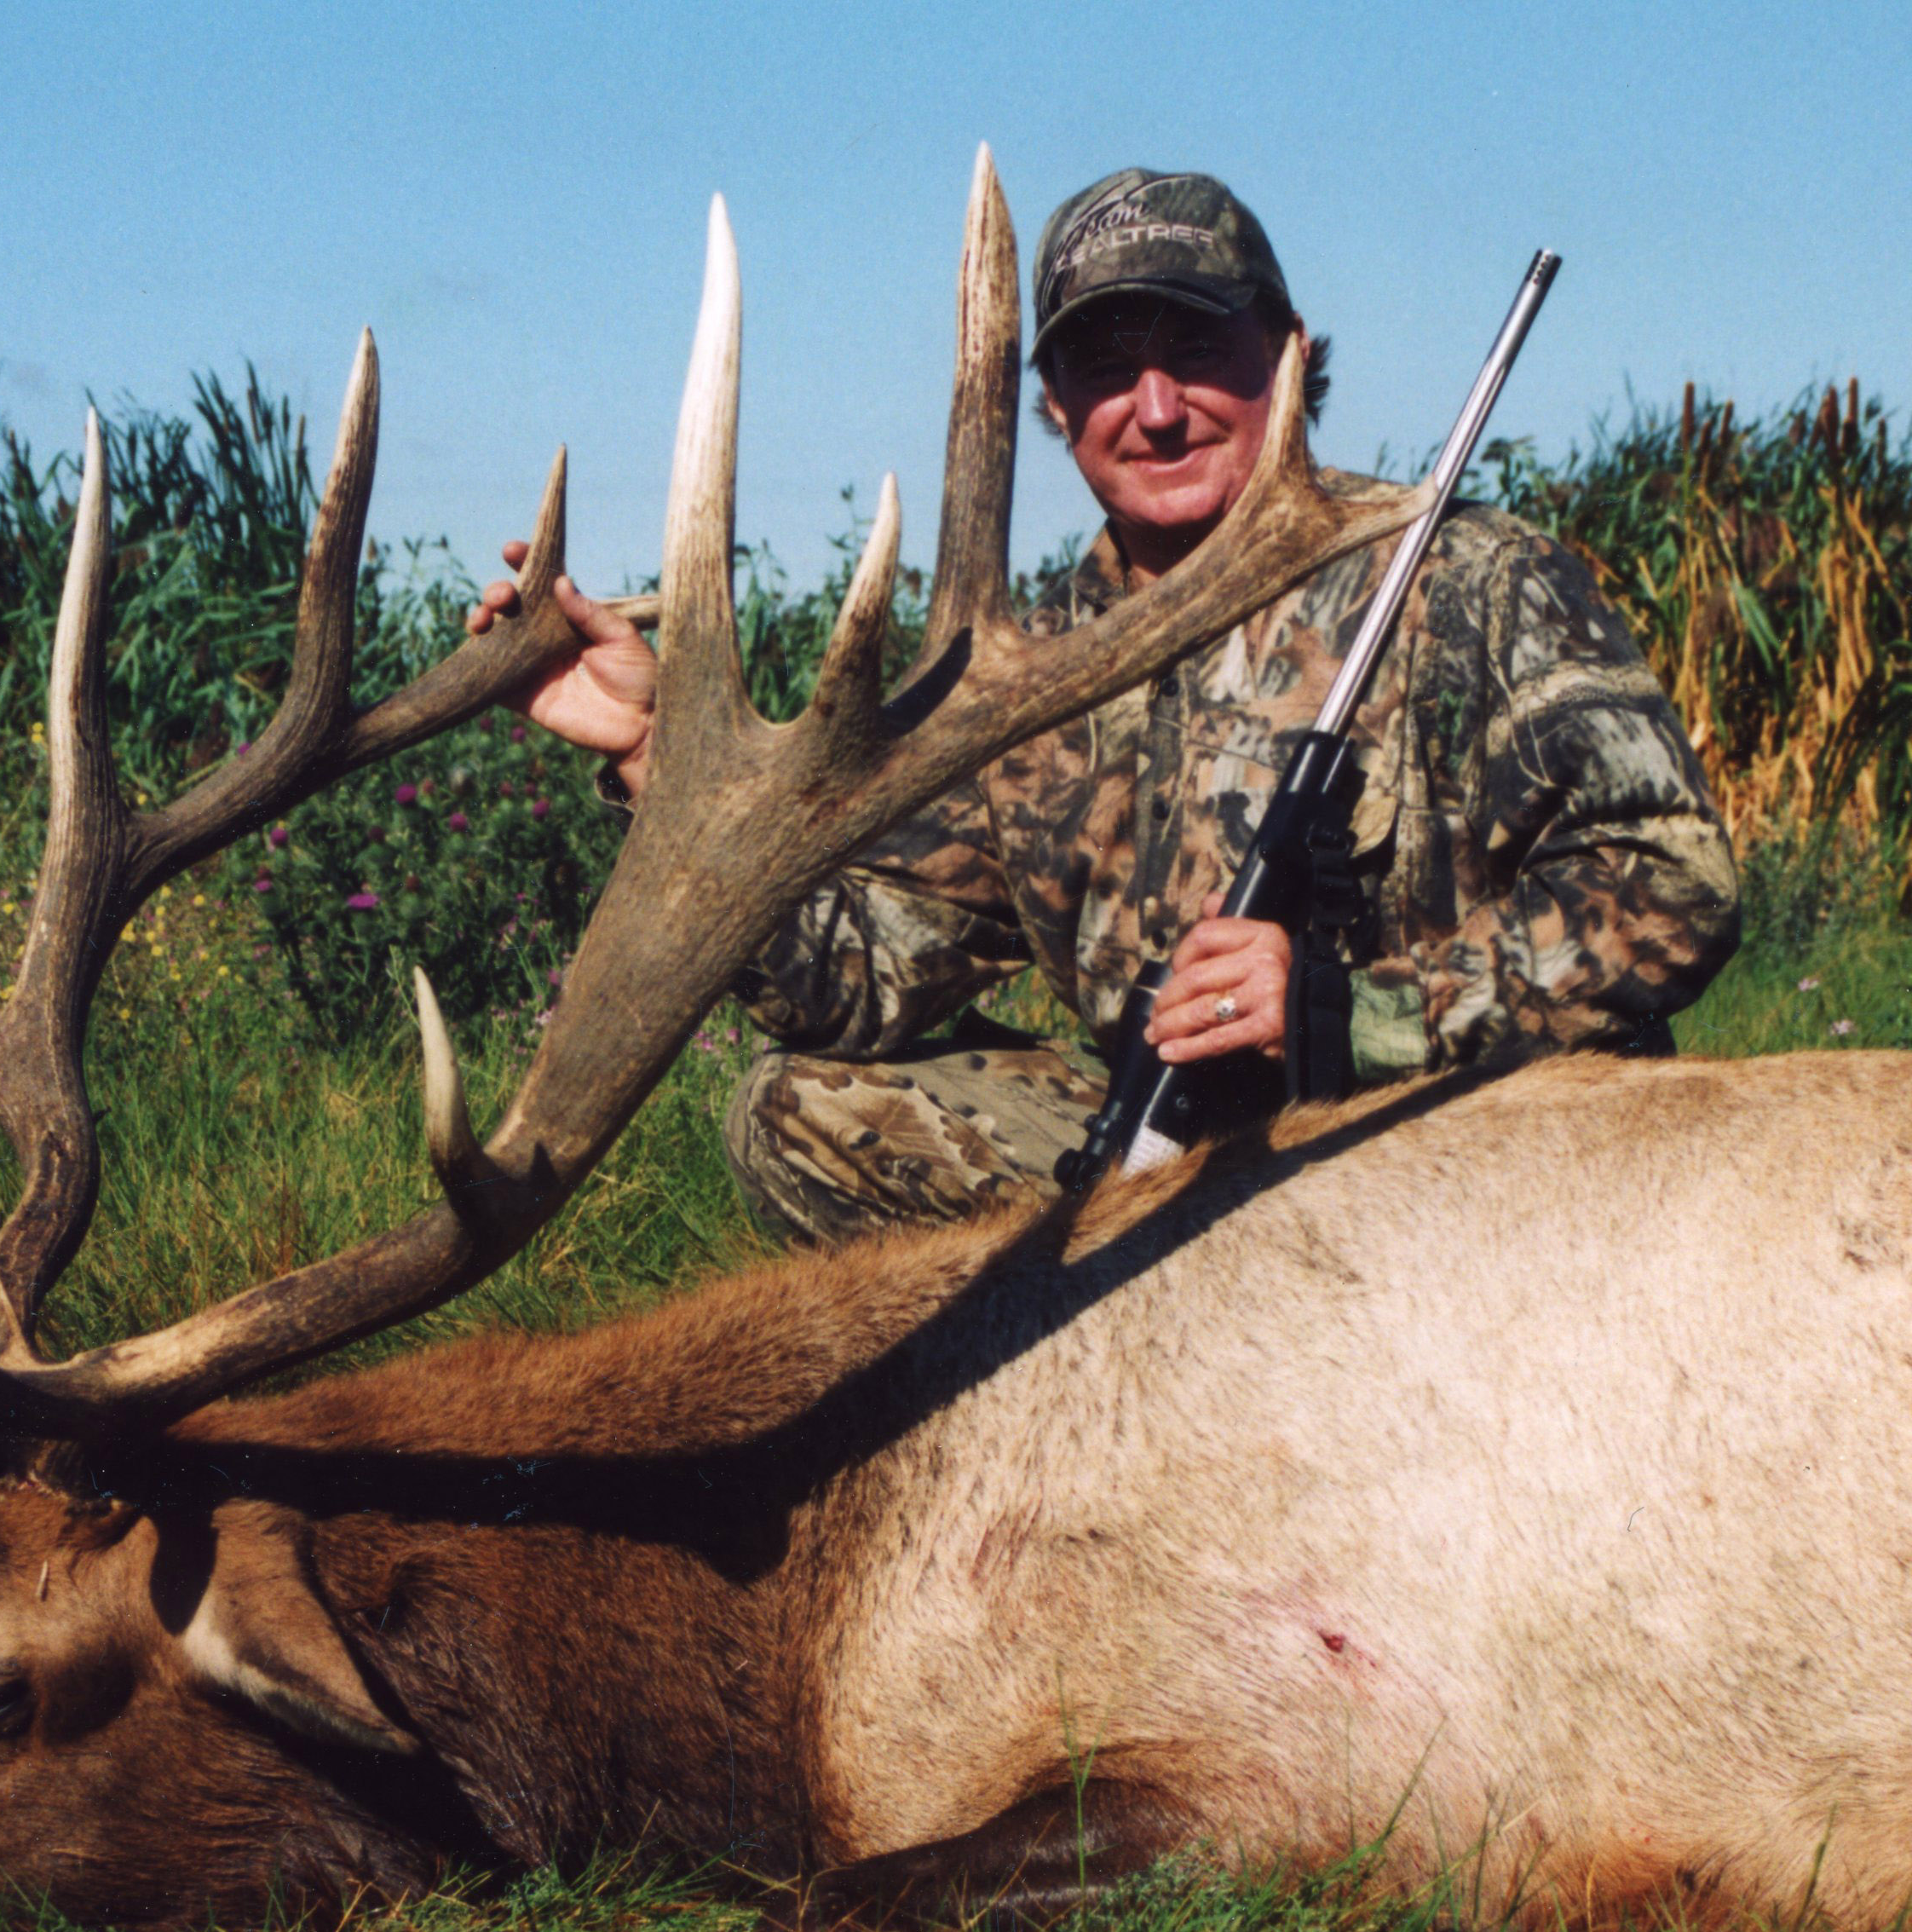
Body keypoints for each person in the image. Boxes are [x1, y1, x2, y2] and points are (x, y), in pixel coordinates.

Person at [469, 168, 1740, 1243]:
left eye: (1197, 351)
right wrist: (655, 750)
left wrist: (1353, 1009)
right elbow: (858, 982)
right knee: (792, 1108)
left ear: (1290, 359)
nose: (1155, 404)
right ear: (1055, 410)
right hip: (1187, 1173)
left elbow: (1672, 882)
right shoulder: (1025, 665)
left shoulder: (1466, 576)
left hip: (1449, 1150)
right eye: (1105, 364)